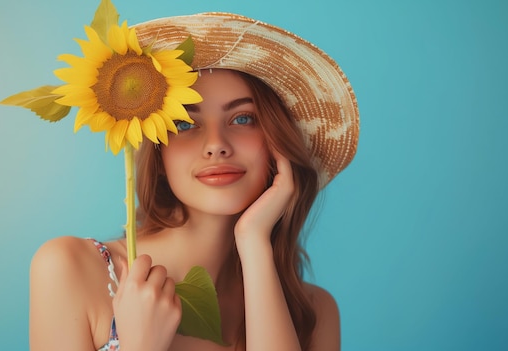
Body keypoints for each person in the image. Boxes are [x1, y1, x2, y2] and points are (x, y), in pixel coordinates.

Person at [28, 12, 358, 351]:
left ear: (278, 145)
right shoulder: (70, 269)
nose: (216, 145)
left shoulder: (313, 312)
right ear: (158, 156)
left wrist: (254, 242)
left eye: (242, 118)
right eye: (186, 124)